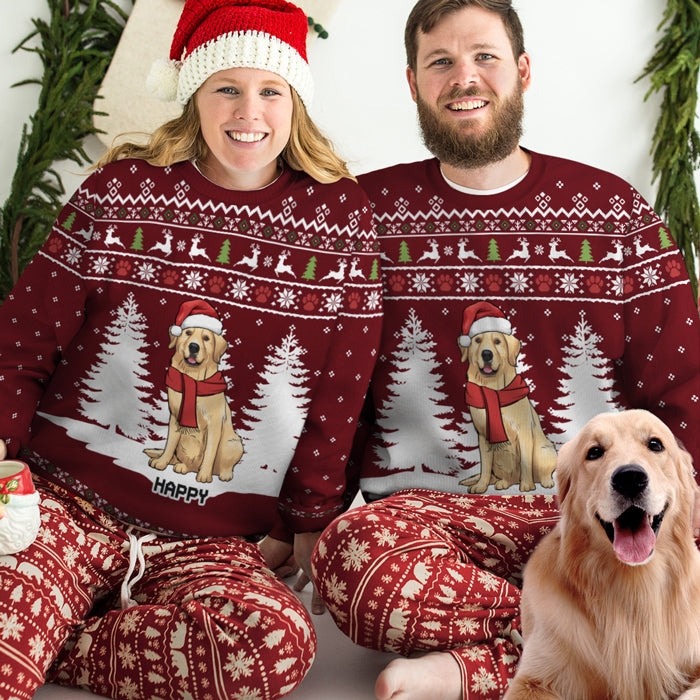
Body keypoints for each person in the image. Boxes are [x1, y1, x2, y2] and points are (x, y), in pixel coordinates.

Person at [311, 1, 700, 699]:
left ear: (521, 70)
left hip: (590, 522)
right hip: (428, 526)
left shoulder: (614, 216)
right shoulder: (361, 217)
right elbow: (332, 392)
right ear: (412, 83)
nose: (466, 78)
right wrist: (301, 521)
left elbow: (683, 389)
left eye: (485, 56)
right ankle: (597, 652)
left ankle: (478, 668)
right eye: (442, 62)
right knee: (351, 556)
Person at [0, 1, 381, 698]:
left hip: (209, 542)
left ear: (295, 100)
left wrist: (308, 521)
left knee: (277, 645)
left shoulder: (340, 222)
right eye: (226, 88)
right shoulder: (121, 192)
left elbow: (340, 396)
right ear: (193, 95)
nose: (250, 111)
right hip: (66, 502)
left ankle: (59, 637)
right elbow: (25, 338)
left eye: (271, 91)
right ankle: (33, 618)